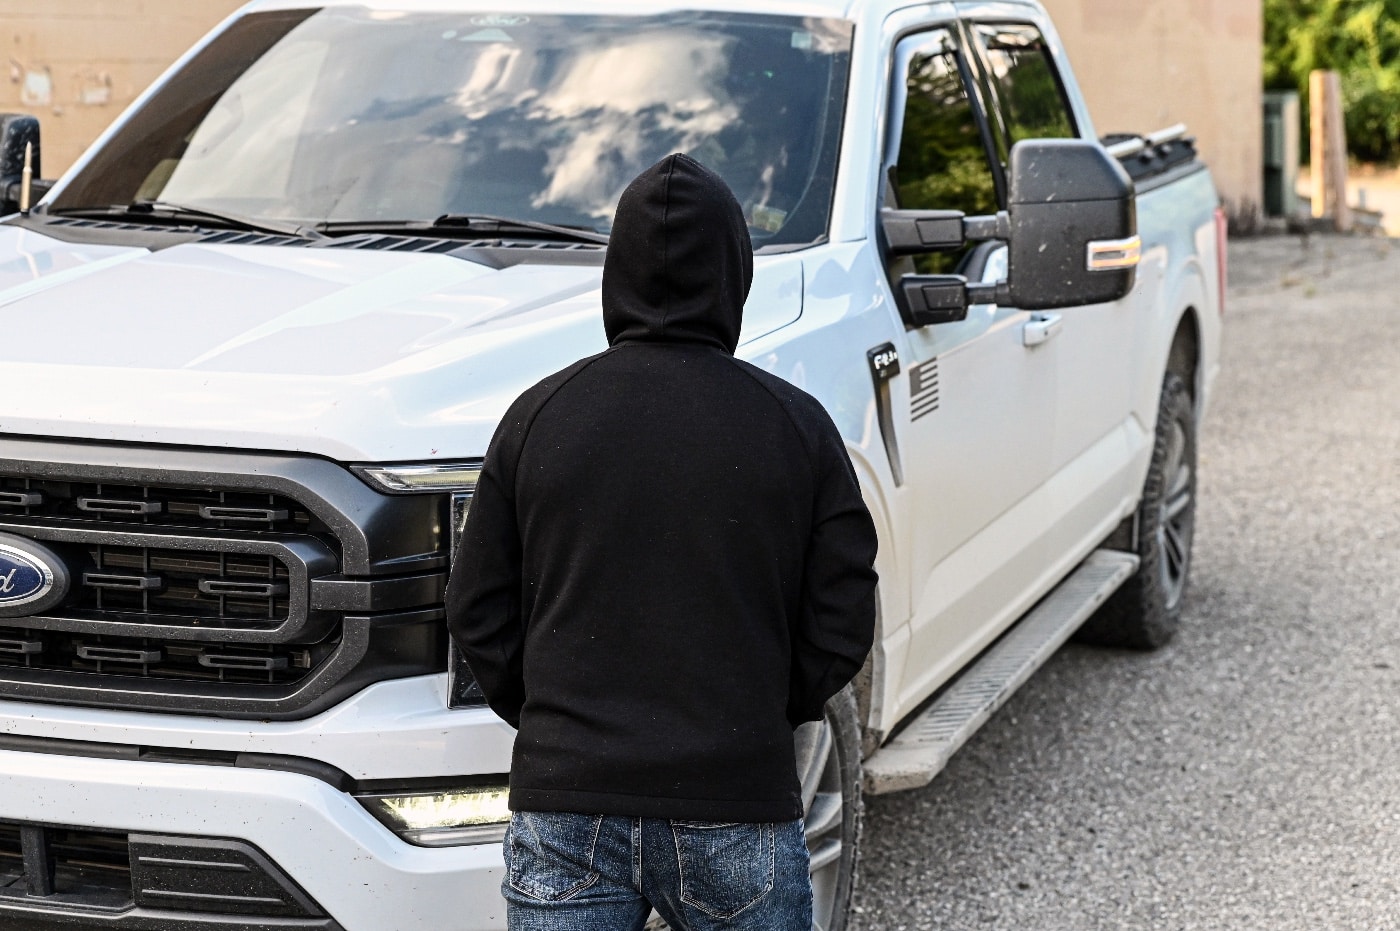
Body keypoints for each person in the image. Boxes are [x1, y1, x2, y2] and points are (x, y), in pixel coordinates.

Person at [446, 153, 879, 931]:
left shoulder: (539, 416)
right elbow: (844, 613)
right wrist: (766, 711)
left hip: (566, 806)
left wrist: (552, 720)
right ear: (734, 275)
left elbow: (476, 608)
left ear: (617, 272)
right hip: (736, 794)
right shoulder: (797, 425)